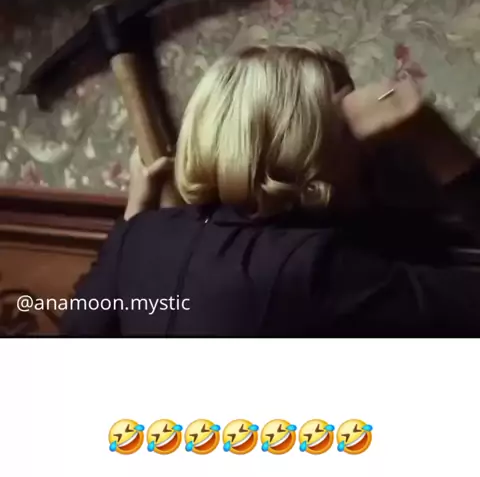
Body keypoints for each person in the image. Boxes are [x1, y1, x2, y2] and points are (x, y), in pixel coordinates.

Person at [62, 45, 480, 337]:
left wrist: (136, 215)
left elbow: (81, 330)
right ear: (306, 139)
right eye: (344, 119)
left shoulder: (144, 234)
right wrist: (434, 138)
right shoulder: (316, 266)